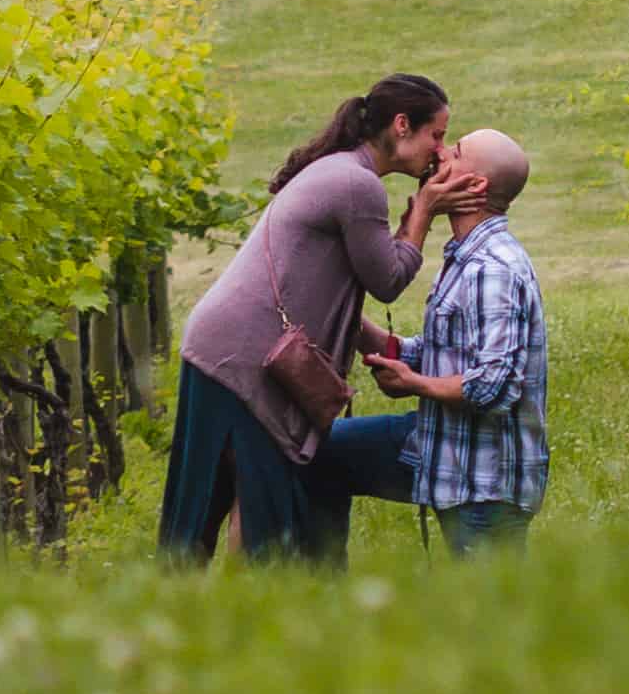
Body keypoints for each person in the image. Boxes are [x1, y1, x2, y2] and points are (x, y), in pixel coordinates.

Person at [162, 74, 481, 562]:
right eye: (437, 134)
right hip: (241, 358)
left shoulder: (343, 171)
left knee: (232, 501)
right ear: (402, 126)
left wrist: (384, 351)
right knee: (251, 501)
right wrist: (425, 211)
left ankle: (214, 617)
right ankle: (225, 618)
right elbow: (388, 280)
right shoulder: (357, 184)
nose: (440, 152)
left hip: (226, 346)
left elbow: (330, 288)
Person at [363, 128, 548, 551]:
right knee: (327, 455)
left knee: (501, 612)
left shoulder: (492, 268)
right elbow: (451, 353)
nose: (440, 152)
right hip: (453, 463)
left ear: (475, 185)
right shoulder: (466, 257)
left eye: (456, 151)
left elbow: (493, 386)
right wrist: (368, 336)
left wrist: (413, 384)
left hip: (485, 485)